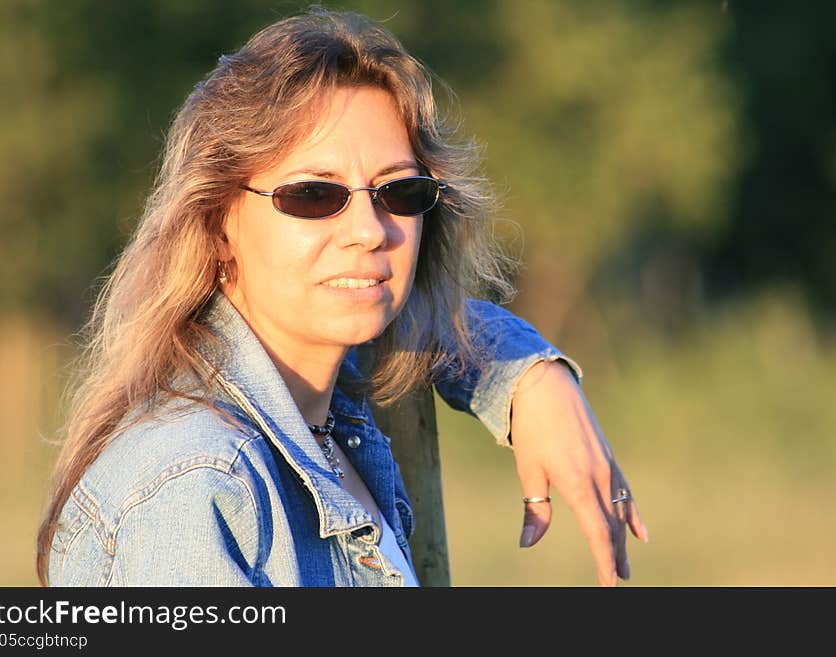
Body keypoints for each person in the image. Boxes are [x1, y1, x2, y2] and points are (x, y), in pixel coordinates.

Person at [37, 7, 647, 587]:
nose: (370, 230)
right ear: (219, 223)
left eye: (399, 192)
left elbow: (422, 321)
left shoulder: (324, 405)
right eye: (312, 195)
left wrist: (530, 379)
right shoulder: (194, 490)